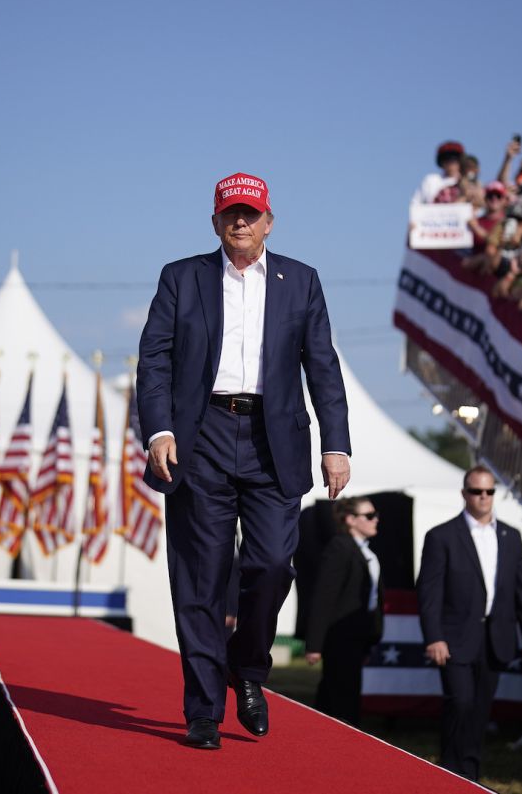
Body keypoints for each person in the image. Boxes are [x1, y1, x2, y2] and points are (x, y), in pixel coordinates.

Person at [137, 171, 352, 750]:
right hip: (199, 436)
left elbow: (323, 367)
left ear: (269, 221)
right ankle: (203, 711)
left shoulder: (300, 281)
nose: (240, 221)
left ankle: (248, 668)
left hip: (273, 440)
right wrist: (157, 431)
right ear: (215, 221)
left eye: (250, 213)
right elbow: (153, 360)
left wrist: (336, 444)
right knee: (200, 580)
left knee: (272, 565)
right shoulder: (181, 278)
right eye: (230, 212)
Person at [416, 467, 522, 783]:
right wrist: (434, 637)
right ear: (464, 494)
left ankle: (469, 775)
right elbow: (429, 593)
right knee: (460, 701)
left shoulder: (510, 536)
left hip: (495, 637)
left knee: (480, 709)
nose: (483, 498)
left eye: (489, 492)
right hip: (454, 637)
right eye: (476, 491)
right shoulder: (441, 536)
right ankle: (449, 769)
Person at [304, 497, 384, 727]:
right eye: (369, 516)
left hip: (358, 636)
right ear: (350, 520)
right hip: (340, 636)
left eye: (375, 514)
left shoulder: (365, 552)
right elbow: (324, 597)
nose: (375, 519)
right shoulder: (340, 547)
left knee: (336, 696)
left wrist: (372, 637)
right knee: (341, 700)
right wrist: (314, 644)